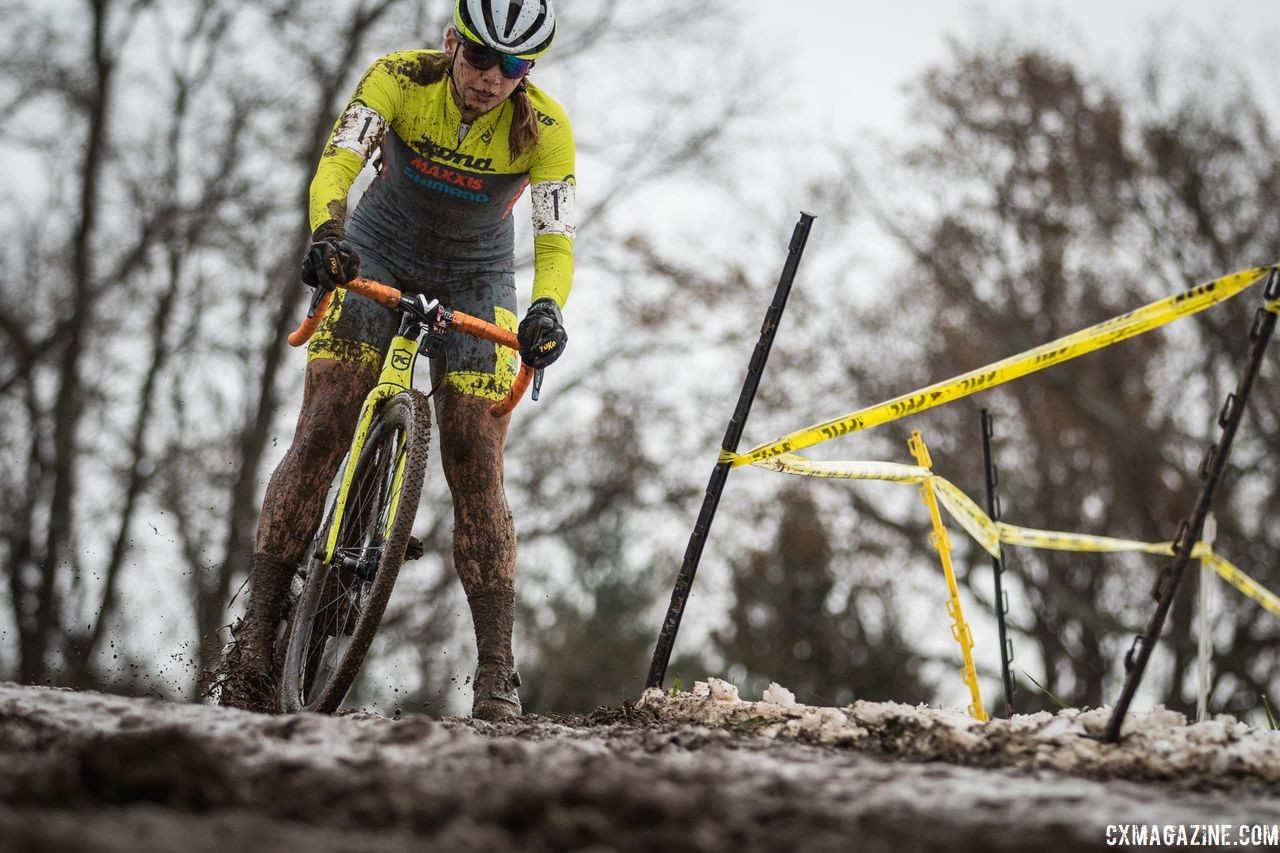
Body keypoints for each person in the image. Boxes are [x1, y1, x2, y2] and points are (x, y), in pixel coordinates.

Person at [214, 0, 574, 719]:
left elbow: (557, 241)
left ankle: (497, 673)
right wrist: (327, 232)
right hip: (376, 249)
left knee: (478, 460)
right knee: (323, 427)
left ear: (527, 73)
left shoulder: (548, 130)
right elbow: (336, 165)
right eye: (479, 57)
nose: (490, 79)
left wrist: (546, 309)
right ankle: (257, 637)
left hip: (479, 278)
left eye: (514, 67)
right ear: (452, 44)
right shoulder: (399, 77)